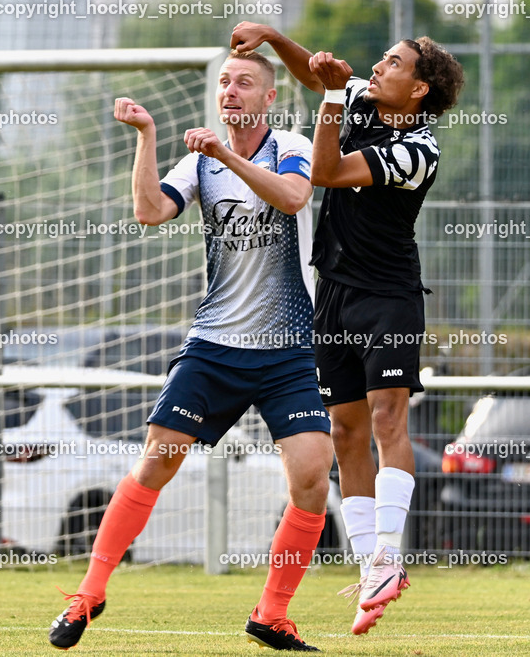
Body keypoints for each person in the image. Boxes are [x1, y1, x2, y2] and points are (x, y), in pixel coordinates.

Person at [48, 49, 333, 653]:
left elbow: (291, 198)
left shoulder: (290, 145)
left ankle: (271, 614)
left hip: (286, 352)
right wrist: (147, 136)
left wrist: (224, 154)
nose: (230, 90)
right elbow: (150, 211)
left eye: (245, 83)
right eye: (225, 82)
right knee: (158, 459)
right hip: (215, 347)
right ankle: (89, 593)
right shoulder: (198, 163)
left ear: (269, 97)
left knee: (311, 475)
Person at [230, 22, 464, 635]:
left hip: (388, 296)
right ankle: (371, 569)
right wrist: (273, 36)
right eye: (382, 57)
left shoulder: (420, 149)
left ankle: (389, 553)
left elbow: (326, 173)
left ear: (417, 91)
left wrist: (331, 100)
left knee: (389, 417)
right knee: (345, 430)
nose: (379, 66)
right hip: (331, 291)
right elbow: (314, 71)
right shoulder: (361, 96)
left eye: (393, 63)